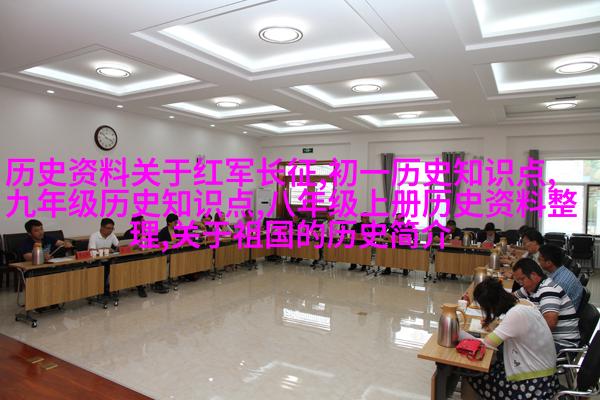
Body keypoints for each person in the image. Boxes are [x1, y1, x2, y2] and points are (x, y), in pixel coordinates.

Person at [463, 277, 559, 399]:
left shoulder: (515, 314)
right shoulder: (523, 304)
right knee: (489, 365)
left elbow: (487, 343)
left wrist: (462, 338)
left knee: (470, 371)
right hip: (544, 376)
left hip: (532, 385)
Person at [512, 258, 580, 351]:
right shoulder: (531, 287)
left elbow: (549, 324)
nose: (521, 284)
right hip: (548, 340)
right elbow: (510, 299)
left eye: (522, 279)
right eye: (518, 281)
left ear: (533, 275)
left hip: (561, 344)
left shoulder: (548, 290)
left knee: (508, 345)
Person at [538, 244, 584, 311]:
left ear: (549, 263)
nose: (538, 262)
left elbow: (552, 307)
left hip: (563, 314)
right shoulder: (558, 271)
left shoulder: (560, 283)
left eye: (539, 259)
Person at [122, 215, 148, 297]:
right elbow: (125, 248)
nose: (145, 223)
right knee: (139, 263)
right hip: (131, 257)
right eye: (142, 221)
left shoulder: (144, 232)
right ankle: (140, 287)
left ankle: (157, 282)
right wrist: (138, 240)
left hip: (143, 255)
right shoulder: (128, 233)